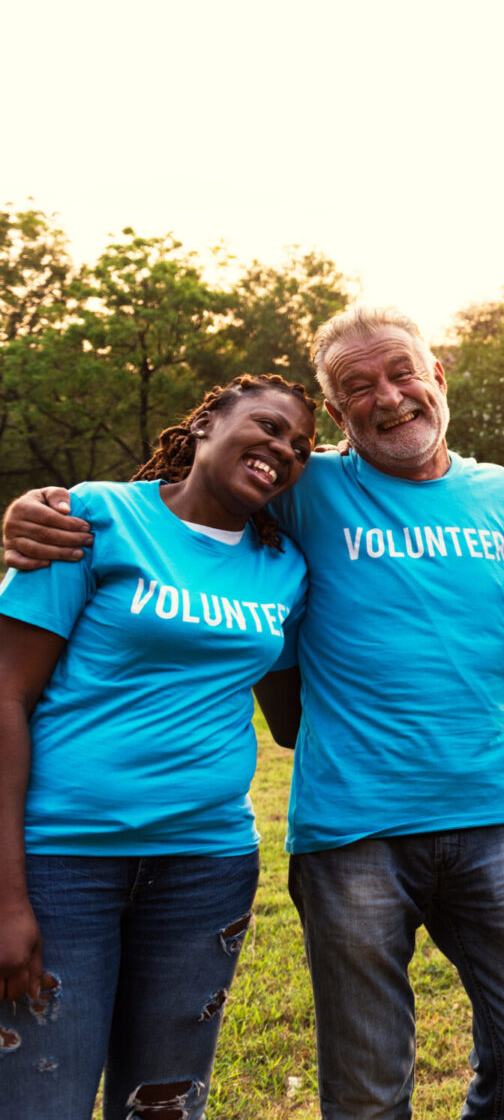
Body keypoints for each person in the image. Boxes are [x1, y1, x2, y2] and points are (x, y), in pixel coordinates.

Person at [3, 304, 504, 1120]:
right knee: (365, 1086)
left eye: (401, 372)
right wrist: (38, 510)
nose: (388, 397)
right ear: (336, 415)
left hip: (489, 812)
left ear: (438, 375)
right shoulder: (303, 485)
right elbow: (186, 501)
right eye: (357, 387)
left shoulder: (502, 494)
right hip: (349, 831)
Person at [0, 375, 316, 1120]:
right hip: (61, 864)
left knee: (163, 1107)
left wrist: (454, 702)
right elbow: (6, 698)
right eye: (268, 427)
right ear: (206, 422)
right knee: (39, 1100)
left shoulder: (284, 568)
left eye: (300, 447)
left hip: (205, 869)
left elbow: (293, 722)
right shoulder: (92, 517)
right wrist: (6, 896)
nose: (283, 449)